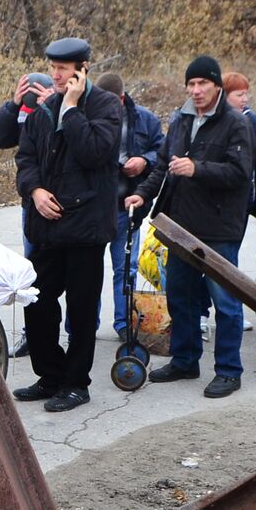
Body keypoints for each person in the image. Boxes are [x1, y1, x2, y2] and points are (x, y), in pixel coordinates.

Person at [126, 55, 255, 398]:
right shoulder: (181, 119)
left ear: (217, 86)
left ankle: (229, 370)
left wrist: (198, 169)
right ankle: (185, 360)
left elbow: (240, 173)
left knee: (225, 302)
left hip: (218, 228)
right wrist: (142, 194)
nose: (196, 91)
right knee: (179, 295)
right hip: (179, 225)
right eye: (192, 84)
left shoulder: (235, 122)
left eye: (203, 84)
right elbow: (162, 166)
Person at [12, 38, 122, 412]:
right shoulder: (43, 111)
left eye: (64, 68)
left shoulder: (106, 106)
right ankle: (50, 374)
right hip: (47, 227)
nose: (57, 75)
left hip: (86, 229)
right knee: (36, 301)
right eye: (53, 67)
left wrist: (73, 109)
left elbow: (94, 152)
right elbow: (24, 158)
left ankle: (77, 383)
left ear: (83, 69)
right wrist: (36, 190)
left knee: (80, 308)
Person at [96, 71, 164, 341]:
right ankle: (85, 325)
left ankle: (124, 323)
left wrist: (144, 161)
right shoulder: (90, 116)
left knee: (126, 268)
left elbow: (163, 151)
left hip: (129, 205)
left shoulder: (145, 119)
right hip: (96, 207)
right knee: (88, 270)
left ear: (122, 98)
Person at [0, 73, 55, 357]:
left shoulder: (59, 109)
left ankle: (83, 330)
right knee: (33, 275)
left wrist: (54, 105)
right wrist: (13, 105)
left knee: (71, 278)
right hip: (31, 204)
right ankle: (34, 335)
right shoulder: (24, 112)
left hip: (63, 206)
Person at [222, 72, 256, 220]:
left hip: (242, 199)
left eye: (245, 94)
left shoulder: (250, 119)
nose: (245, 99)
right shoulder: (213, 118)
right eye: (239, 95)